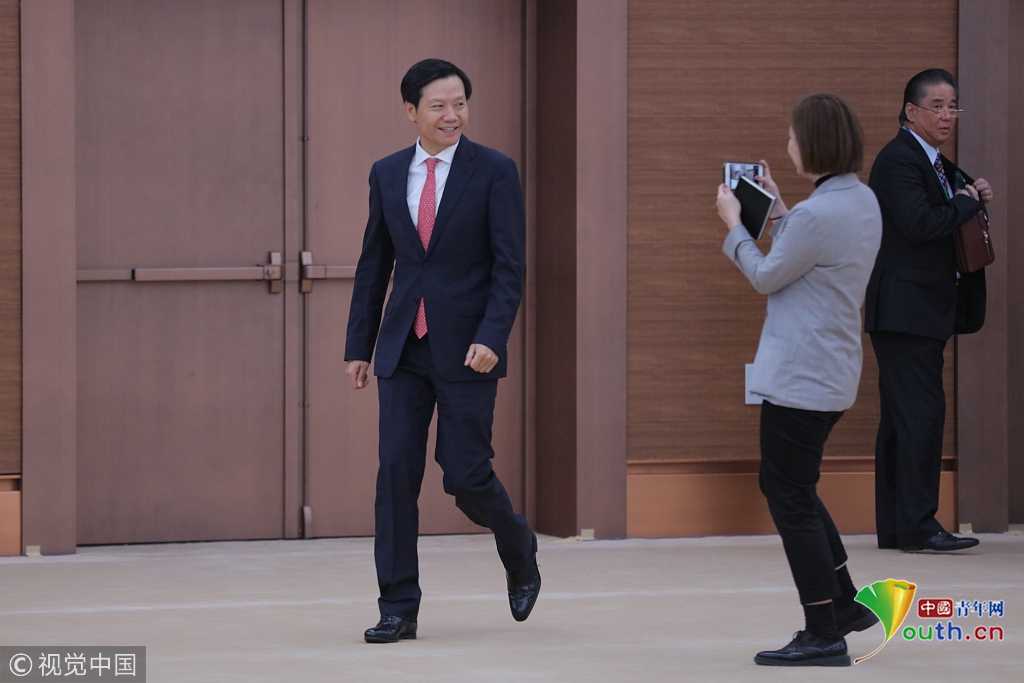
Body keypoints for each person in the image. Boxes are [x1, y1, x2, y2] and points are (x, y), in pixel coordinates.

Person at [344, 58, 539, 644]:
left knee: (465, 475)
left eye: (459, 104)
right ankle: (398, 607)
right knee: (395, 476)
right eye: (438, 106)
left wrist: (492, 336)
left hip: (468, 349)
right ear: (411, 111)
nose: (451, 115)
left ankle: (517, 543)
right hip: (403, 348)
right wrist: (359, 345)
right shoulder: (386, 172)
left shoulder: (495, 171)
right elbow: (374, 264)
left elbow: (509, 266)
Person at [716, 93, 882, 667]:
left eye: (791, 137)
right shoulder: (859, 200)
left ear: (812, 143)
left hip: (801, 377)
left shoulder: (818, 215)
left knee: (789, 496)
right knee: (793, 486)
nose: (787, 145)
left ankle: (823, 630)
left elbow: (767, 275)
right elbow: (810, 253)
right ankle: (844, 603)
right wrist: (780, 211)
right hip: (832, 369)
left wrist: (735, 225)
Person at [865, 68, 992, 553]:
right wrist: (965, 203)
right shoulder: (898, 159)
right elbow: (919, 223)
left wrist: (973, 196)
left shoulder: (934, 161)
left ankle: (900, 527)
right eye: (936, 106)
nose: (947, 116)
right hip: (905, 311)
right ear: (910, 111)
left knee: (903, 420)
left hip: (917, 310)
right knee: (921, 416)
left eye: (952, 106)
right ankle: (919, 526)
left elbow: (954, 203)